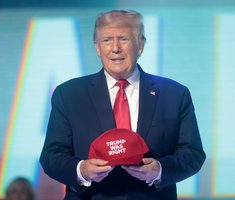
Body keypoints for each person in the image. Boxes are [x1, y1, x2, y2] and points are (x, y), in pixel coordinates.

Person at [40, 10, 206, 200]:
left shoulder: (174, 94)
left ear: (140, 46)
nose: (115, 48)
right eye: (107, 40)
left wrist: (160, 170)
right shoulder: (68, 94)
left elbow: (192, 154)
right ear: (97, 48)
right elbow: (51, 156)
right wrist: (82, 170)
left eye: (124, 39)